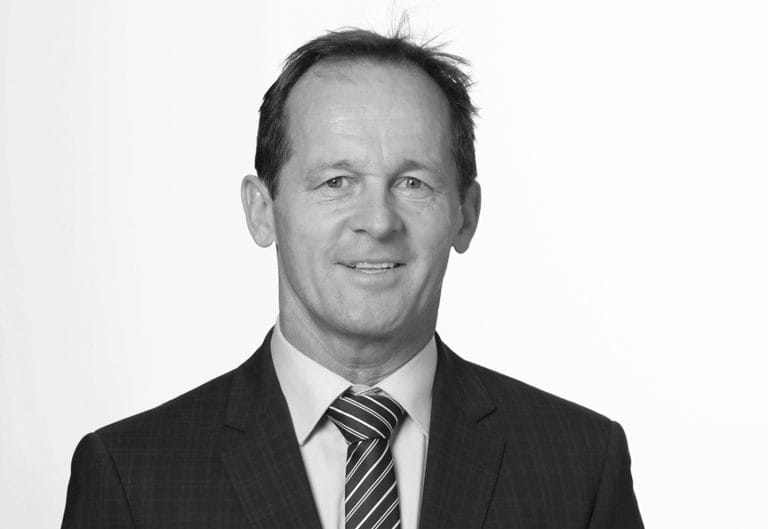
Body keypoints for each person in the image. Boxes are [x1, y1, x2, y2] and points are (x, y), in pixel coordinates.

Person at [62, 26, 644, 529]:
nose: (378, 221)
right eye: (336, 182)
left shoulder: (580, 467)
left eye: (413, 183)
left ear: (465, 215)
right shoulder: (131, 476)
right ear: (262, 211)